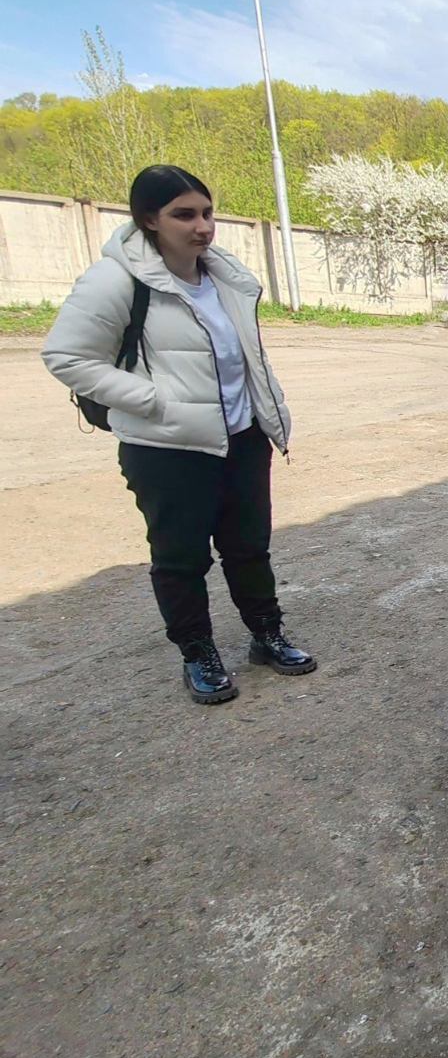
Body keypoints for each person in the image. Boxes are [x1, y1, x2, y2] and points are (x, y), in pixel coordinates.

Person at [41, 164, 313, 706]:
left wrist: (266, 414)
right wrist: (152, 401)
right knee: (181, 556)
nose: (202, 226)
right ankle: (198, 652)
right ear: (148, 219)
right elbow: (65, 355)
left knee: (248, 547)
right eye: (183, 215)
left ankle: (266, 634)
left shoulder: (223, 275)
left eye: (207, 213)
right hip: (167, 447)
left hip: (241, 436)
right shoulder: (116, 279)